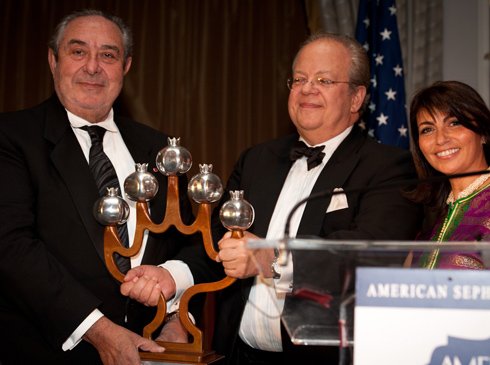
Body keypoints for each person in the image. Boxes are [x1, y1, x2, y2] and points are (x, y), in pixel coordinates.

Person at [0, 9, 217, 365]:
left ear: (126, 66)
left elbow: (195, 243)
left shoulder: (161, 149)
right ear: (53, 60)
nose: (93, 66)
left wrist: (176, 312)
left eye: (108, 55)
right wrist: (101, 331)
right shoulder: (12, 138)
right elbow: (11, 249)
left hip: (152, 354)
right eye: (78, 51)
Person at [211, 32, 422, 364]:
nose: (307, 88)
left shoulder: (389, 167)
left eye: (324, 80)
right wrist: (174, 286)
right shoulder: (256, 160)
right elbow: (213, 239)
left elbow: (370, 253)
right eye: (299, 79)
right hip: (237, 355)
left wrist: (271, 259)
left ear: (356, 98)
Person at [407, 80, 490, 269]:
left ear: (483, 133)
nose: (441, 139)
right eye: (427, 129)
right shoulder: (428, 217)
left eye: (454, 123)